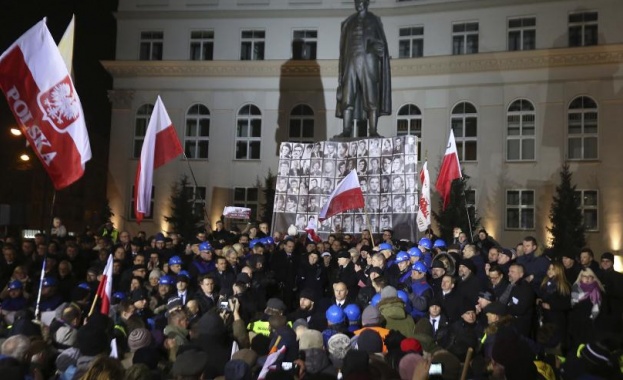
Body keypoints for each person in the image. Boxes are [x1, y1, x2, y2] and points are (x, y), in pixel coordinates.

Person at [335, 0, 391, 137]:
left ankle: (372, 130)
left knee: (371, 98)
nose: (358, 3)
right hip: (351, 62)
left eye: (361, 0)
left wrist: (376, 48)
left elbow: (381, 44)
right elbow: (343, 50)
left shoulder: (374, 20)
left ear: (367, 2)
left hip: (368, 63)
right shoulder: (349, 22)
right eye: (356, 1)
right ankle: (346, 130)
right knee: (347, 98)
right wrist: (341, 74)